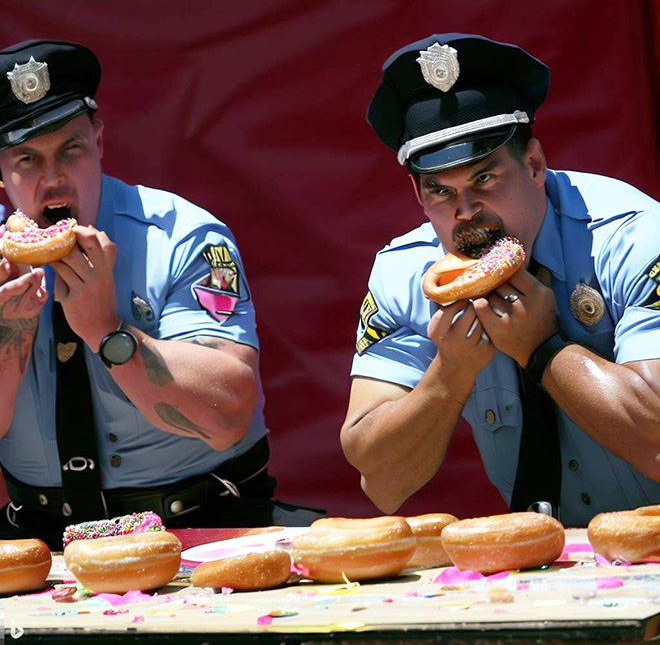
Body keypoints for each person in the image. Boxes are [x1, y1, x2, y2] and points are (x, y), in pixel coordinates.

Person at [0, 39, 322, 549]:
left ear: (99, 144)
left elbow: (228, 418)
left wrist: (106, 331)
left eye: (71, 149)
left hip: (201, 521)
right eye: (26, 158)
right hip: (40, 534)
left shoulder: (182, 236)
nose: (54, 178)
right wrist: (7, 334)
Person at [340, 33, 660, 527]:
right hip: (540, 558)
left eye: (484, 179)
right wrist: (449, 375)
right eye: (440, 192)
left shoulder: (632, 236)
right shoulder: (406, 273)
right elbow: (380, 480)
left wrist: (543, 350)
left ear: (533, 164)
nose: (467, 214)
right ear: (416, 194)